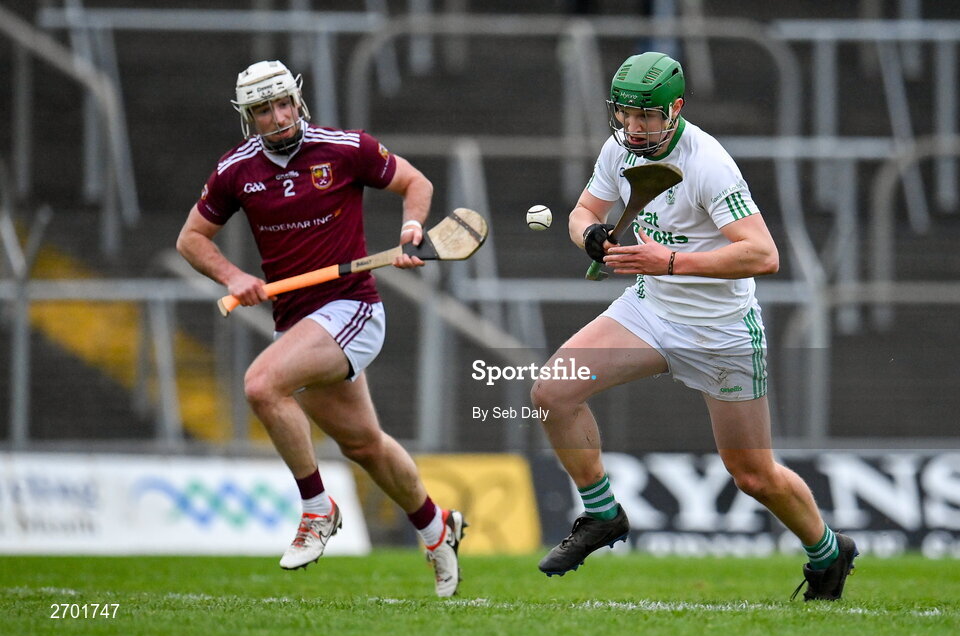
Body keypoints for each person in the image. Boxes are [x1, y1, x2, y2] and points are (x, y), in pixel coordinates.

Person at [530, 52, 858, 600]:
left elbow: (763, 254)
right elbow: (583, 211)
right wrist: (589, 235)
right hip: (650, 312)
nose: (634, 128)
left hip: (721, 332)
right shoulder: (619, 149)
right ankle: (602, 515)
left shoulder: (708, 163)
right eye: (625, 115)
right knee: (552, 392)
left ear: (675, 108)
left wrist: (671, 263)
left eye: (647, 117)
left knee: (753, 476)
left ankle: (829, 551)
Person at [176, 60, 466, 597]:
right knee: (365, 446)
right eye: (263, 109)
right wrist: (235, 275)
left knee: (263, 385)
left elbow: (414, 182)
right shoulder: (235, 170)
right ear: (249, 117)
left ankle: (317, 508)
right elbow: (191, 239)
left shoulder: (345, 148)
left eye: (283, 103)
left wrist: (410, 229)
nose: (277, 116)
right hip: (298, 323)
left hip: (351, 308)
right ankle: (436, 526)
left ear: (298, 100)